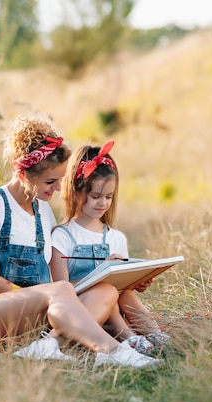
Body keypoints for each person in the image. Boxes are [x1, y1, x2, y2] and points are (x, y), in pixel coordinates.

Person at [0, 114, 158, 368]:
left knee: (106, 291)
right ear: (23, 173)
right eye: (50, 181)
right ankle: (113, 351)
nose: (59, 188)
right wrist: (35, 297)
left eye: (60, 180)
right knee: (60, 291)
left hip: (29, 315)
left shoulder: (43, 212)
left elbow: (54, 285)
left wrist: (117, 275)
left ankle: (48, 343)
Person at [50, 141, 170, 355]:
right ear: (76, 192)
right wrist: (101, 273)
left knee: (121, 292)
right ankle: (130, 339)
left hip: (114, 313)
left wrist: (137, 281)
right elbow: (61, 289)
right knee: (108, 289)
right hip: (84, 313)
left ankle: (153, 334)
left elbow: (124, 287)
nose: (103, 203)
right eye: (96, 196)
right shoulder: (62, 236)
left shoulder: (115, 238)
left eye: (108, 197)